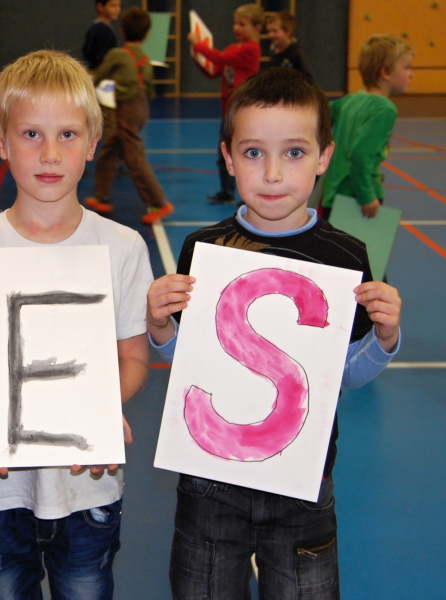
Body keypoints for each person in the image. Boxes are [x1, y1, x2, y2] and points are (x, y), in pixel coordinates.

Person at [147, 68, 402, 599]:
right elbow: (195, 362)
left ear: (324, 157)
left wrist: (382, 340)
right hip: (211, 482)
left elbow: (344, 374)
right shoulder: (203, 249)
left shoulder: (347, 256)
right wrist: (160, 326)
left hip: (303, 484)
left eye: (294, 153)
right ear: (227, 157)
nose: (272, 173)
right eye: (253, 153)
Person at [0, 49, 153, 600]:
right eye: (31, 134)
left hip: (89, 487)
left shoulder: (122, 247)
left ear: (93, 142)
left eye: (68, 135)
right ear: (0, 142)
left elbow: (133, 357)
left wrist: (101, 409)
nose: (50, 154)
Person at [84, 7, 174, 225]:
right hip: (141, 108)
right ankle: (100, 196)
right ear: (146, 35)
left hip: (126, 109)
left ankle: (159, 203)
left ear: (122, 32)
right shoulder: (145, 58)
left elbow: (99, 75)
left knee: (134, 158)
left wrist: (84, 85)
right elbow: (150, 88)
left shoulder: (117, 54)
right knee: (110, 149)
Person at [321, 34, 414, 219]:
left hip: (332, 195)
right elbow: (361, 156)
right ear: (385, 72)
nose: (411, 74)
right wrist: (367, 196)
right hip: (353, 199)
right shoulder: (384, 109)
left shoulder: (350, 100)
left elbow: (319, 115)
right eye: (406, 67)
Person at [189, 3, 263, 205]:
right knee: (224, 154)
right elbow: (214, 71)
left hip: (244, 112)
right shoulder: (234, 48)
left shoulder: (251, 49)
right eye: (235, 23)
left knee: (246, 155)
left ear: (257, 28)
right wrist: (197, 57)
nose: (236, 28)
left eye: (242, 24)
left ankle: (251, 194)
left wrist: (198, 45)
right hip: (228, 111)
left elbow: (219, 57)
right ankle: (226, 191)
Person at [265, 11, 313, 78]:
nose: (270, 35)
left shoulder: (297, 53)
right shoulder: (273, 51)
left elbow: (307, 77)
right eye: (269, 31)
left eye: (275, 31)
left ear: (287, 32)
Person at [82, 0, 122, 73]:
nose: (117, 9)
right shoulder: (103, 29)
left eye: (119, 5)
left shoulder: (96, 28)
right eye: (113, 6)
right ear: (100, 7)